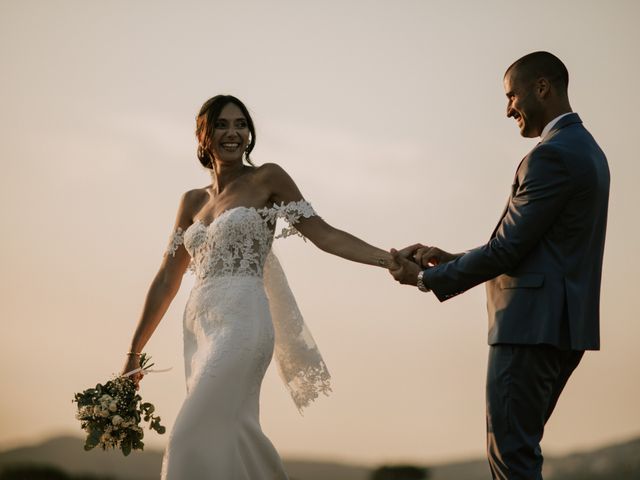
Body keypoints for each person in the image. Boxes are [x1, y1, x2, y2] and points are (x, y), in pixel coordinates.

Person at [121, 95, 396, 479]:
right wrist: (134, 352)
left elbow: (325, 234)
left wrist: (389, 260)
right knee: (229, 434)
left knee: (187, 434)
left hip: (244, 322)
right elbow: (167, 278)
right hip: (199, 330)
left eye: (241, 124)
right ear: (203, 135)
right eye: (222, 125)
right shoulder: (190, 201)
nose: (233, 133)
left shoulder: (267, 178)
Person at [389, 51, 609, 479]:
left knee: (511, 457)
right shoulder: (590, 151)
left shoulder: (551, 156)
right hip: (564, 327)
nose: (508, 109)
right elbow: (531, 247)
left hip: (529, 326)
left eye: (512, 95)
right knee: (519, 450)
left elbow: (508, 251)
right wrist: (454, 259)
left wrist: (425, 278)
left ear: (542, 88)